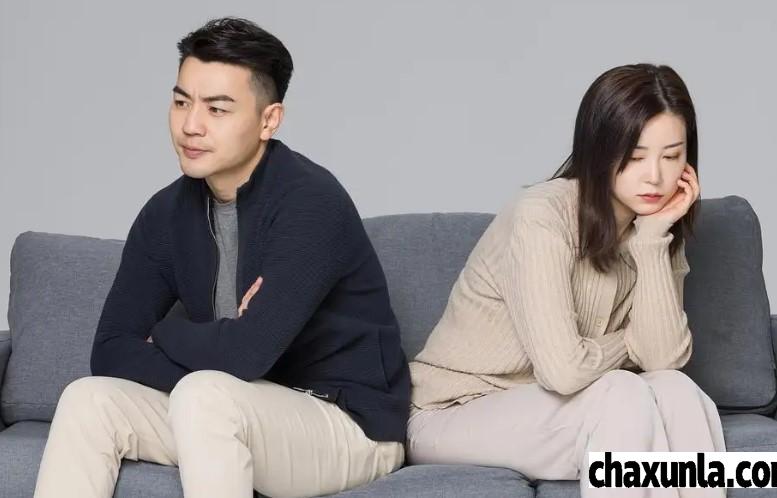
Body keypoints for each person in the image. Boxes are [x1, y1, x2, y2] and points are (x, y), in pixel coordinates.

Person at [33, 17, 409, 498]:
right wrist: (226, 350)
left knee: (205, 393)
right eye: (181, 102)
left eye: (217, 109)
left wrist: (165, 333)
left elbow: (245, 354)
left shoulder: (311, 202)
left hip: (346, 424)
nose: (191, 125)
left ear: (269, 120)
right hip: (229, 407)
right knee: (88, 398)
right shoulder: (165, 214)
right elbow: (109, 350)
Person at [406, 63, 725, 497]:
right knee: (620, 393)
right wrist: (632, 341)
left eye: (671, 156)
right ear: (598, 151)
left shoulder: (657, 227)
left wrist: (652, 243)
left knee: (677, 390)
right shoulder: (542, 215)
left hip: (556, 409)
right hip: (453, 410)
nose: (655, 176)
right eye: (635, 157)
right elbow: (564, 371)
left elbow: (663, 360)